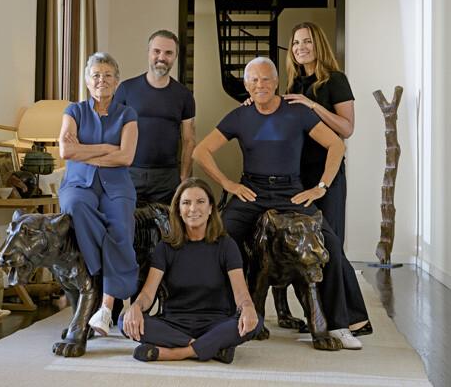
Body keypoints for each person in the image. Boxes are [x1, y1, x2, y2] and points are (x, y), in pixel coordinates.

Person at [193, 57, 364, 349]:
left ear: (276, 83)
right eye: (254, 80)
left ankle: (337, 326)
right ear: (246, 85)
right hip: (252, 190)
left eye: (266, 79)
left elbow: (337, 144)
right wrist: (228, 184)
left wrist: (320, 187)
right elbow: (201, 151)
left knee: (330, 244)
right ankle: (221, 314)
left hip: (292, 192)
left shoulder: (297, 112)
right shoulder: (238, 115)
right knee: (219, 237)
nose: (260, 85)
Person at [285, 21, 371, 336]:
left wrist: (311, 105)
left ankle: (357, 318)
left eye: (306, 41)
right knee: (308, 247)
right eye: (295, 43)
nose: (300, 48)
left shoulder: (335, 80)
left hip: (328, 172)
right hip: (299, 173)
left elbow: (346, 128)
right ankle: (320, 317)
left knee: (330, 244)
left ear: (318, 44)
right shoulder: (294, 84)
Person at [118, 177, 263, 363]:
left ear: (211, 208)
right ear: (178, 209)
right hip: (174, 323)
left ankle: (174, 353)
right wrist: (136, 307)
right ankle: (213, 349)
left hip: (216, 322)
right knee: (125, 321)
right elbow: (148, 293)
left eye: (200, 202)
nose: (193, 209)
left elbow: (241, 294)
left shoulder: (227, 245)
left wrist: (248, 307)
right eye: (186, 203)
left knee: (255, 321)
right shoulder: (166, 247)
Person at [58, 52, 139, 337]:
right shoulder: (74, 111)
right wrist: (107, 148)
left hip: (117, 186)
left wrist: (86, 150)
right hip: (78, 184)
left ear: (116, 82)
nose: (101, 80)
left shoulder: (127, 114)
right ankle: (105, 281)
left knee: (120, 227)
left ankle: (105, 308)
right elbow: (67, 151)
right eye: (95, 75)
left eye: (107, 75)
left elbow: (127, 156)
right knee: (76, 208)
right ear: (87, 82)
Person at [113, 29, 196, 205]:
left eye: (168, 53)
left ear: (175, 57)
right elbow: (113, 133)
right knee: (127, 228)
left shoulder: (185, 95)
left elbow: (189, 140)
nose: (161, 57)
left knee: (165, 231)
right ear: (148, 52)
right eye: (156, 51)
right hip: (130, 174)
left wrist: (183, 178)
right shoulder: (126, 89)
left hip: (167, 179)